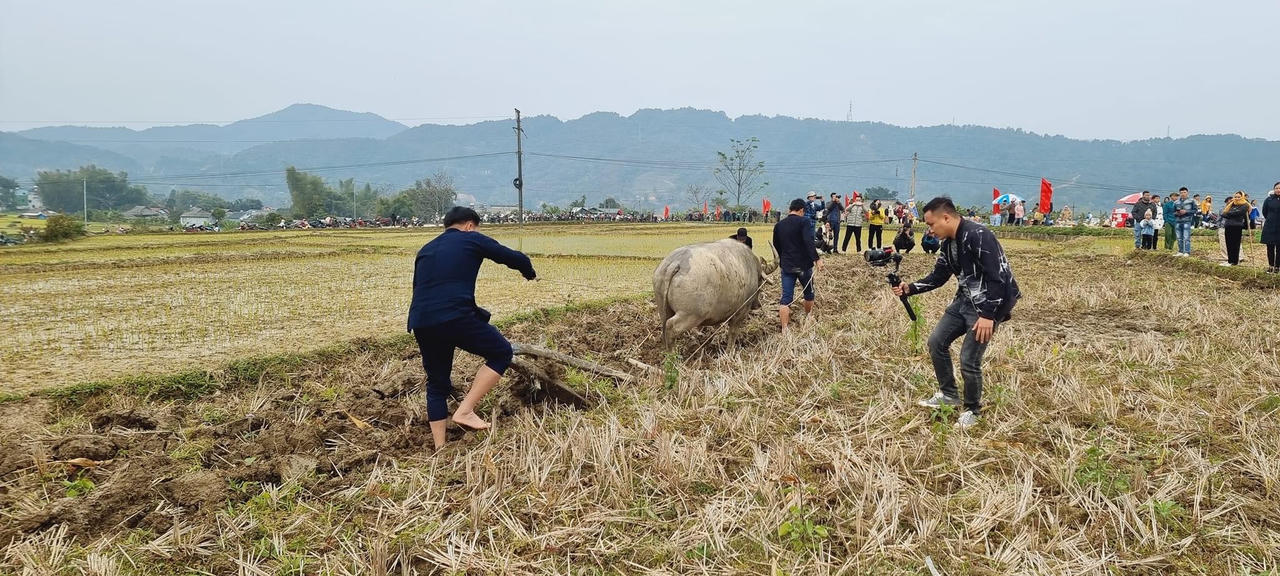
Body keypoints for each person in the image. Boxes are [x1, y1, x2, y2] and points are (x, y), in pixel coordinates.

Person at [407, 206, 537, 450]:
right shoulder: (471, 238)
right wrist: (529, 273)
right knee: (501, 352)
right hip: (455, 316)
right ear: (469, 225)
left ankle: (440, 449)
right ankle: (465, 411)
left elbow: (420, 288)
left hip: (422, 320)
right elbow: (514, 258)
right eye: (475, 228)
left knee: (437, 383)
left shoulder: (425, 249)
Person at [894, 196, 1020, 429]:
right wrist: (909, 288)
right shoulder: (949, 245)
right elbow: (938, 277)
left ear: (946, 217)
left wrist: (988, 315)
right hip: (963, 302)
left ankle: (972, 409)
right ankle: (948, 394)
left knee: (969, 359)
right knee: (936, 342)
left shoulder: (979, 235)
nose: (930, 230)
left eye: (931, 224)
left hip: (986, 307)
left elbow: (998, 278)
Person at [773, 199, 824, 331]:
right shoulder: (804, 222)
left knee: (786, 298)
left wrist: (783, 258)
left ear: (790, 209)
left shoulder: (779, 225)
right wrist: (817, 259)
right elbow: (808, 242)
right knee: (809, 294)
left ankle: (784, 328)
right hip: (803, 265)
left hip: (787, 266)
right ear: (801, 210)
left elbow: (777, 245)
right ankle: (808, 317)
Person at [1220, 191, 1250, 266]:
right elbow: (1223, 214)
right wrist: (1231, 213)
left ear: (1242, 197)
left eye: (1238, 197)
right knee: (1228, 243)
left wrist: (1230, 213)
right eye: (1235, 197)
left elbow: (1239, 213)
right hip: (1228, 225)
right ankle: (1230, 260)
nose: (1236, 198)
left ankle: (1235, 261)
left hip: (1237, 226)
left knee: (1235, 244)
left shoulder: (1245, 205)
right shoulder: (1232, 204)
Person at [1261, 182, 1280, 273]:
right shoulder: (1268, 200)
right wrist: (1270, 219)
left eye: (1279, 188)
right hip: (1270, 226)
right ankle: (1271, 266)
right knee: (1270, 248)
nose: (1278, 190)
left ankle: (1277, 267)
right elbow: (1264, 212)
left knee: (1279, 249)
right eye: (1276, 188)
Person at [1174, 187, 1196, 256]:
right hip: (1178, 221)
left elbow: (1195, 210)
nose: (1183, 194)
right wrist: (1177, 213)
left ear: (1187, 193)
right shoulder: (1176, 202)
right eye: (1181, 193)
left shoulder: (1191, 201)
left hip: (1187, 221)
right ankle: (1180, 251)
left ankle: (1187, 252)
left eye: (1184, 192)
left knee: (1186, 237)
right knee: (1179, 237)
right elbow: (1173, 212)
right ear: (1179, 193)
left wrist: (1186, 211)